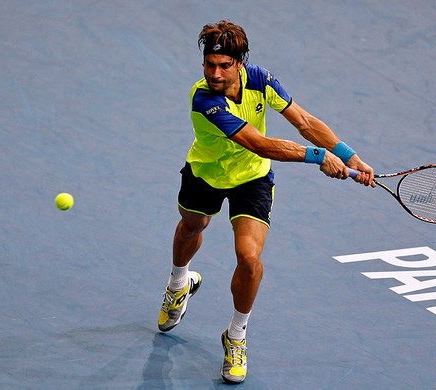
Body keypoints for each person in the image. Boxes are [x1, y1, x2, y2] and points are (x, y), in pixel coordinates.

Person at [157, 20, 375, 384]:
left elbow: (303, 121)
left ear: (239, 64)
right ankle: (178, 283)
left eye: (224, 65)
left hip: (252, 180)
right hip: (205, 174)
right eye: (210, 64)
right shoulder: (205, 100)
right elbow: (257, 142)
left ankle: (236, 335)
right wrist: (318, 157)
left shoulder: (261, 79)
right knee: (192, 225)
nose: (215, 72)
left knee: (249, 258)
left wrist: (349, 156)